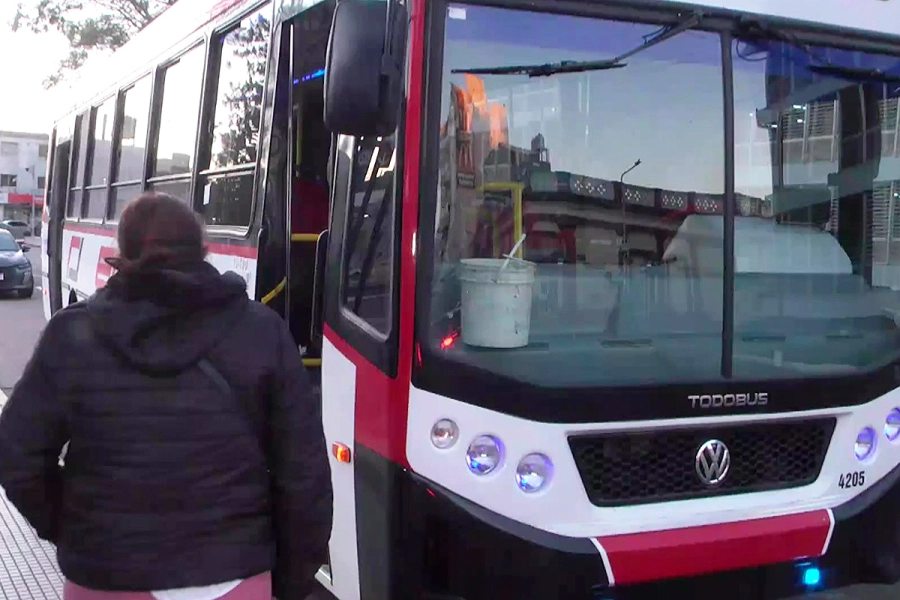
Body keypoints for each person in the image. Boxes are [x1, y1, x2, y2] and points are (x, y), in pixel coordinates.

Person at [0, 192, 333, 600]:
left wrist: (78, 532)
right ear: (201, 250)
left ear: (123, 251)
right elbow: (305, 477)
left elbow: (17, 455)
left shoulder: (72, 335)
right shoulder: (263, 332)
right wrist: (287, 580)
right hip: (235, 578)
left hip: (106, 578)